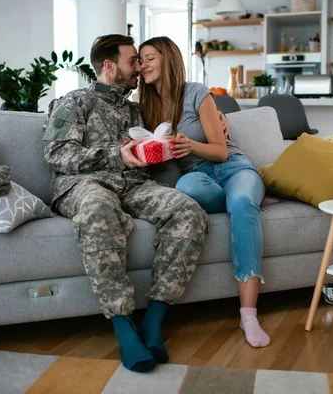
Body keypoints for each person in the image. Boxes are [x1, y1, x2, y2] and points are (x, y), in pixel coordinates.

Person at [42, 34, 209, 373]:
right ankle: (122, 327)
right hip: (84, 184)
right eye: (133, 60)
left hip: (133, 185)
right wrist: (115, 156)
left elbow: (167, 133)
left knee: (187, 209)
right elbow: (57, 154)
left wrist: (217, 123)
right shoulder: (73, 102)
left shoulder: (137, 109)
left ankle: (153, 321)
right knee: (99, 211)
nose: (139, 67)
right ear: (109, 66)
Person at [138, 36, 270, 348]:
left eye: (149, 58)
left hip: (233, 168)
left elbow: (222, 152)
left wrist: (190, 145)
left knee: (240, 200)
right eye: (140, 60)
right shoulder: (145, 108)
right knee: (187, 187)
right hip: (197, 176)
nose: (143, 65)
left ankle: (248, 315)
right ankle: (252, 199)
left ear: (168, 59)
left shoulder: (196, 92)